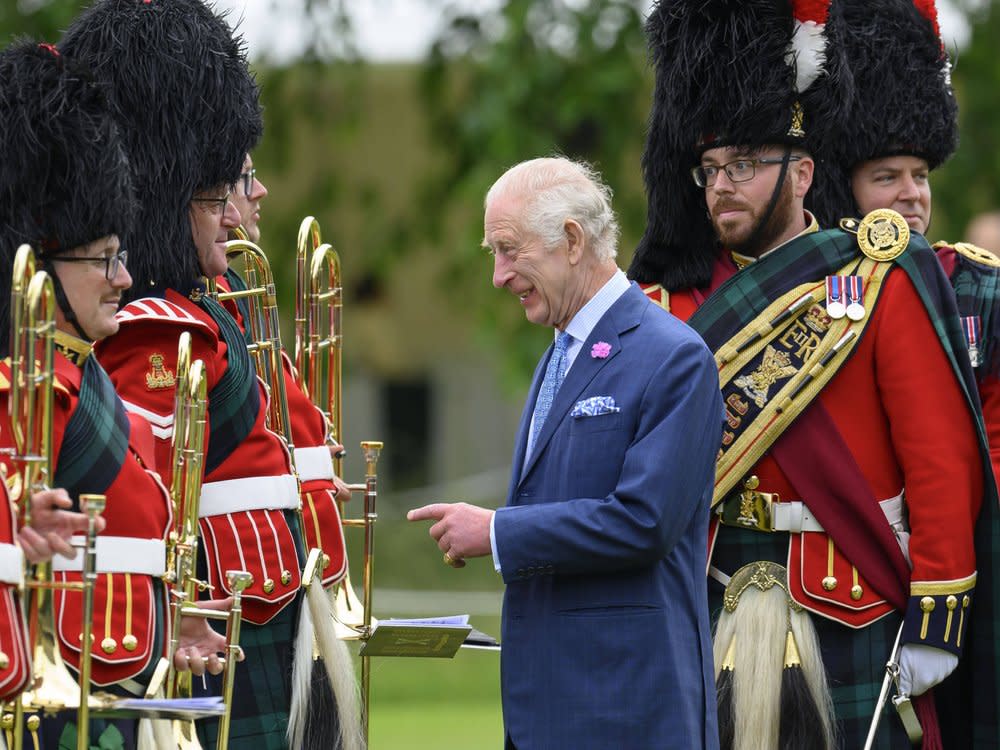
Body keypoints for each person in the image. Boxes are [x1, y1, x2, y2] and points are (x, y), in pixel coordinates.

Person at [627, 1, 993, 748]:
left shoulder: (879, 277)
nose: (722, 184)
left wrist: (936, 613)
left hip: (851, 593)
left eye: (744, 164)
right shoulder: (664, 304)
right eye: (711, 168)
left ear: (801, 171)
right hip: (711, 596)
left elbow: (938, 459)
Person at [58, 3, 359, 748]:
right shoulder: (154, 327)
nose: (237, 202)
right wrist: (172, 604)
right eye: (216, 188)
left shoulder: (202, 307)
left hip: (259, 604)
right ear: (171, 192)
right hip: (213, 630)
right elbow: (139, 491)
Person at [409, 156, 723, 749]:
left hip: (629, 709)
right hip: (551, 709)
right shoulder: (560, 352)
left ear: (572, 241)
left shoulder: (674, 356)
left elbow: (644, 521)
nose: (498, 275)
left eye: (508, 249)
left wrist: (498, 532)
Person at [0, 39, 231, 748]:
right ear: (37, 263)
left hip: (121, 666)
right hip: (63, 689)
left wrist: (169, 607)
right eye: (103, 259)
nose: (124, 277)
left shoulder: (75, 370)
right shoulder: (24, 389)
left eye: (121, 254)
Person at [804, 1, 1000, 745]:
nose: (913, 194)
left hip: (966, 569)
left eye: (920, 174)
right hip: (847, 575)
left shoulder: (980, 286)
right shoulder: (804, 295)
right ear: (840, 187)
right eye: (887, 175)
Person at [226, 153, 350, 590]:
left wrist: (314, 463)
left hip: (284, 542)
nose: (259, 191)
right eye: (245, 179)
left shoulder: (233, 287)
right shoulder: (210, 297)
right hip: (249, 558)